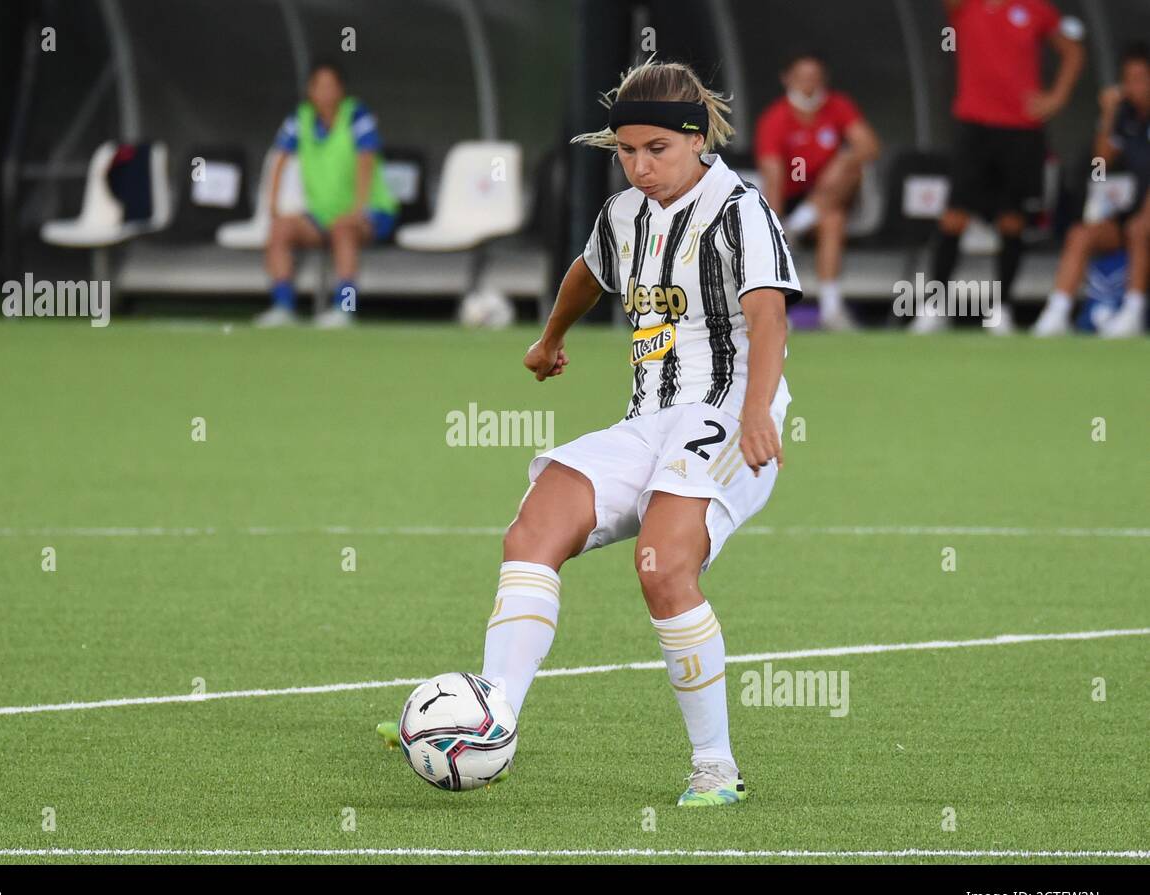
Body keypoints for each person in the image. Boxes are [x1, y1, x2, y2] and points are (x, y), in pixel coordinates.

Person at [377, 60, 802, 807]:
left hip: (727, 417)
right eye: (626, 151)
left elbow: (768, 312)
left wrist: (759, 408)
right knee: (534, 524)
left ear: (697, 140)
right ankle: (490, 719)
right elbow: (587, 270)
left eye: (655, 150)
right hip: (647, 423)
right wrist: (550, 339)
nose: (639, 166)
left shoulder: (740, 210)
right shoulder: (625, 215)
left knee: (662, 567)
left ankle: (715, 765)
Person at [912, 0, 1085, 334]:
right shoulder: (964, 7)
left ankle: (1000, 307)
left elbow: (1073, 52)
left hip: (1021, 130)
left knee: (1012, 220)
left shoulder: (1036, 9)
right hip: (974, 126)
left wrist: (1056, 98)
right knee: (954, 217)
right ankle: (934, 305)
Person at [255, 60, 399, 329]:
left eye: (331, 85)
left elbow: (366, 161)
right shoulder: (300, 118)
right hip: (321, 214)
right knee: (280, 229)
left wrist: (359, 208)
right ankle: (283, 307)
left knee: (343, 229)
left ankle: (345, 309)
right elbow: (280, 158)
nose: (325, 92)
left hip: (371, 211)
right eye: (319, 86)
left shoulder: (357, 115)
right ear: (310, 90)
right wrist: (272, 203)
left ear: (341, 90)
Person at [755, 51, 880, 331]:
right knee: (830, 218)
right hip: (789, 200)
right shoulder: (775, 118)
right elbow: (772, 176)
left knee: (847, 169)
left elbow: (869, 146)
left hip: (831, 194)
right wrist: (775, 226)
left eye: (814, 77)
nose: (809, 84)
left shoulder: (838, 106)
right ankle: (789, 234)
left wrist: (843, 159)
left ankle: (831, 308)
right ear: (787, 79)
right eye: (802, 77)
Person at [1034, 42, 1150, 338]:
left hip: (1145, 218)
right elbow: (1100, 164)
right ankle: (1057, 312)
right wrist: (1108, 116)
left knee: (1141, 229)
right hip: (1131, 213)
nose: (1131, 87)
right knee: (1080, 234)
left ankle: (1133, 312)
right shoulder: (1127, 118)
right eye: (1128, 79)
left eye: (1139, 78)